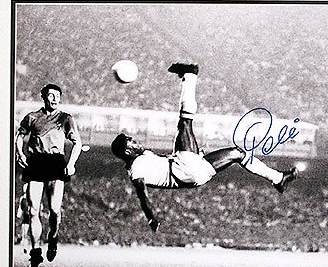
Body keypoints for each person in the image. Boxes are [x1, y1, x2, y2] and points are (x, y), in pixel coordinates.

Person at [111, 63, 298, 232]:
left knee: (237, 153)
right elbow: (142, 194)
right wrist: (151, 216)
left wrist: (194, 156)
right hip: (183, 169)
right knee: (184, 123)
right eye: (131, 141)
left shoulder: (143, 159)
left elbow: (162, 164)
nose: (136, 141)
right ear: (128, 151)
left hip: (194, 174)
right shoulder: (135, 168)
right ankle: (190, 76)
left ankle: (278, 178)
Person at [15, 83, 82, 267]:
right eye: (51, 95)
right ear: (43, 97)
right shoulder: (32, 117)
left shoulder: (65, 118)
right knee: (33, 210)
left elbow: (77, 143)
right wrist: (20, 153)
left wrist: (71, 164)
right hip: (36, 162)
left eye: (57, 95)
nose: (55, 98)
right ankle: (36, 251)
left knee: (53, 209)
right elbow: (19, 136)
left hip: (55, 162)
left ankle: (53, 235)